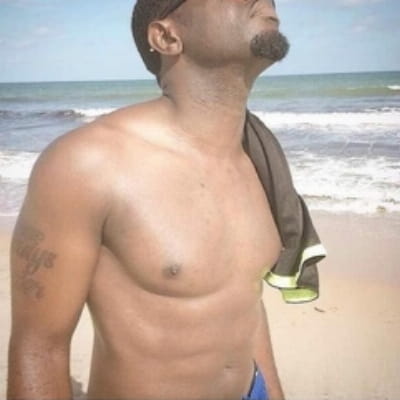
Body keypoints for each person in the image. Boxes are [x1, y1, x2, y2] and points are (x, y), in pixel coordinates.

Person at [7, 0, 292, 399]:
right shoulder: (87, 163)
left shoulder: (258, 158)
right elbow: (39, 347)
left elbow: (243, 298)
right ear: (167, 36)